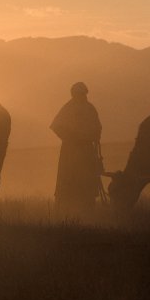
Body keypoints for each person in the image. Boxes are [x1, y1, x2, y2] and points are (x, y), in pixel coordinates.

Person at [50, 81, 102, 216]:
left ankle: (87, 211)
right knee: (68, 179)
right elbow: (56, 126)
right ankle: (64, 211)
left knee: (85, 181)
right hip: (71, 151)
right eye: (80, 94)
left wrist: (92, 136)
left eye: (83, 94)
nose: (82, 96)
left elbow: (97, 128)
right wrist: (70, 137)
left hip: (84, 150)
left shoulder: (88, 108)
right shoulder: (71, 108)